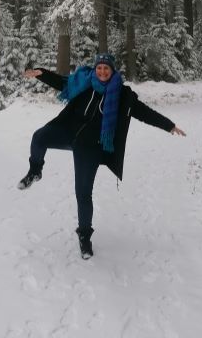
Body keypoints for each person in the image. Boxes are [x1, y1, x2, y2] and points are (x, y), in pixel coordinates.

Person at [18, 52, 187, 259]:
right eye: (99, 67)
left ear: (112, 70)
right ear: (95, 69)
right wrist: (40, 74)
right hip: (68, 132)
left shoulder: (122, 95)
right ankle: (35, 171)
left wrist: (169, 126)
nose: (102, 71)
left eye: (106, 68)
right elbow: (62, 82)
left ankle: (84, 237)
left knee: (83, 193)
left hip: (90, 147)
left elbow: (144, 113)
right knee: (39, 137)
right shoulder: (84, 83)